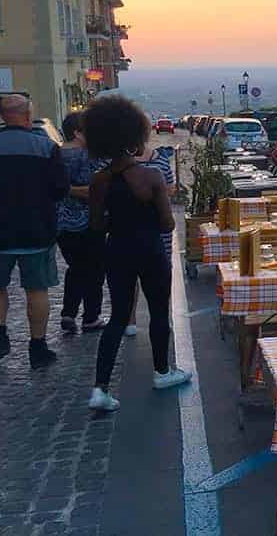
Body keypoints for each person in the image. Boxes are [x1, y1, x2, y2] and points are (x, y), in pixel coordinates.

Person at [85, 96, 190, 412]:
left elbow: (95, 225)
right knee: (159, 311)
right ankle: (162, 371)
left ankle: (100, 389)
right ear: (135, 136)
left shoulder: (99, 180)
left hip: (116, 249)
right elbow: (167, 223)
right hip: (149, 249)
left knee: (118, 316)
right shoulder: (150, 176)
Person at [0, 94, 69, 368]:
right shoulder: (45, 148)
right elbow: (60, 189)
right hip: (36, 230)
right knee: (37, 289)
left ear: (1, 116)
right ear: (28, 116)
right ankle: (38, 347)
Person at [55, 111, 107, 334]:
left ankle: (68, 313)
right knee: (94, 269)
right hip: (89, 221)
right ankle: (91, 317)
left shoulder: (54, 155)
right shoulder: (87, 156)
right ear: (77, 132)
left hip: (60, 223)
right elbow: (93, 190)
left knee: (76, 268)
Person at [124, 143, 177, 337]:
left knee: (150, 276)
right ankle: (142, 320)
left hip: (130, 230)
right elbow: (170, 190)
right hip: (152, 229)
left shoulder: (115, 166)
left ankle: (157, 318)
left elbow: (171, 189)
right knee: (150, 276)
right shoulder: (157, 165)